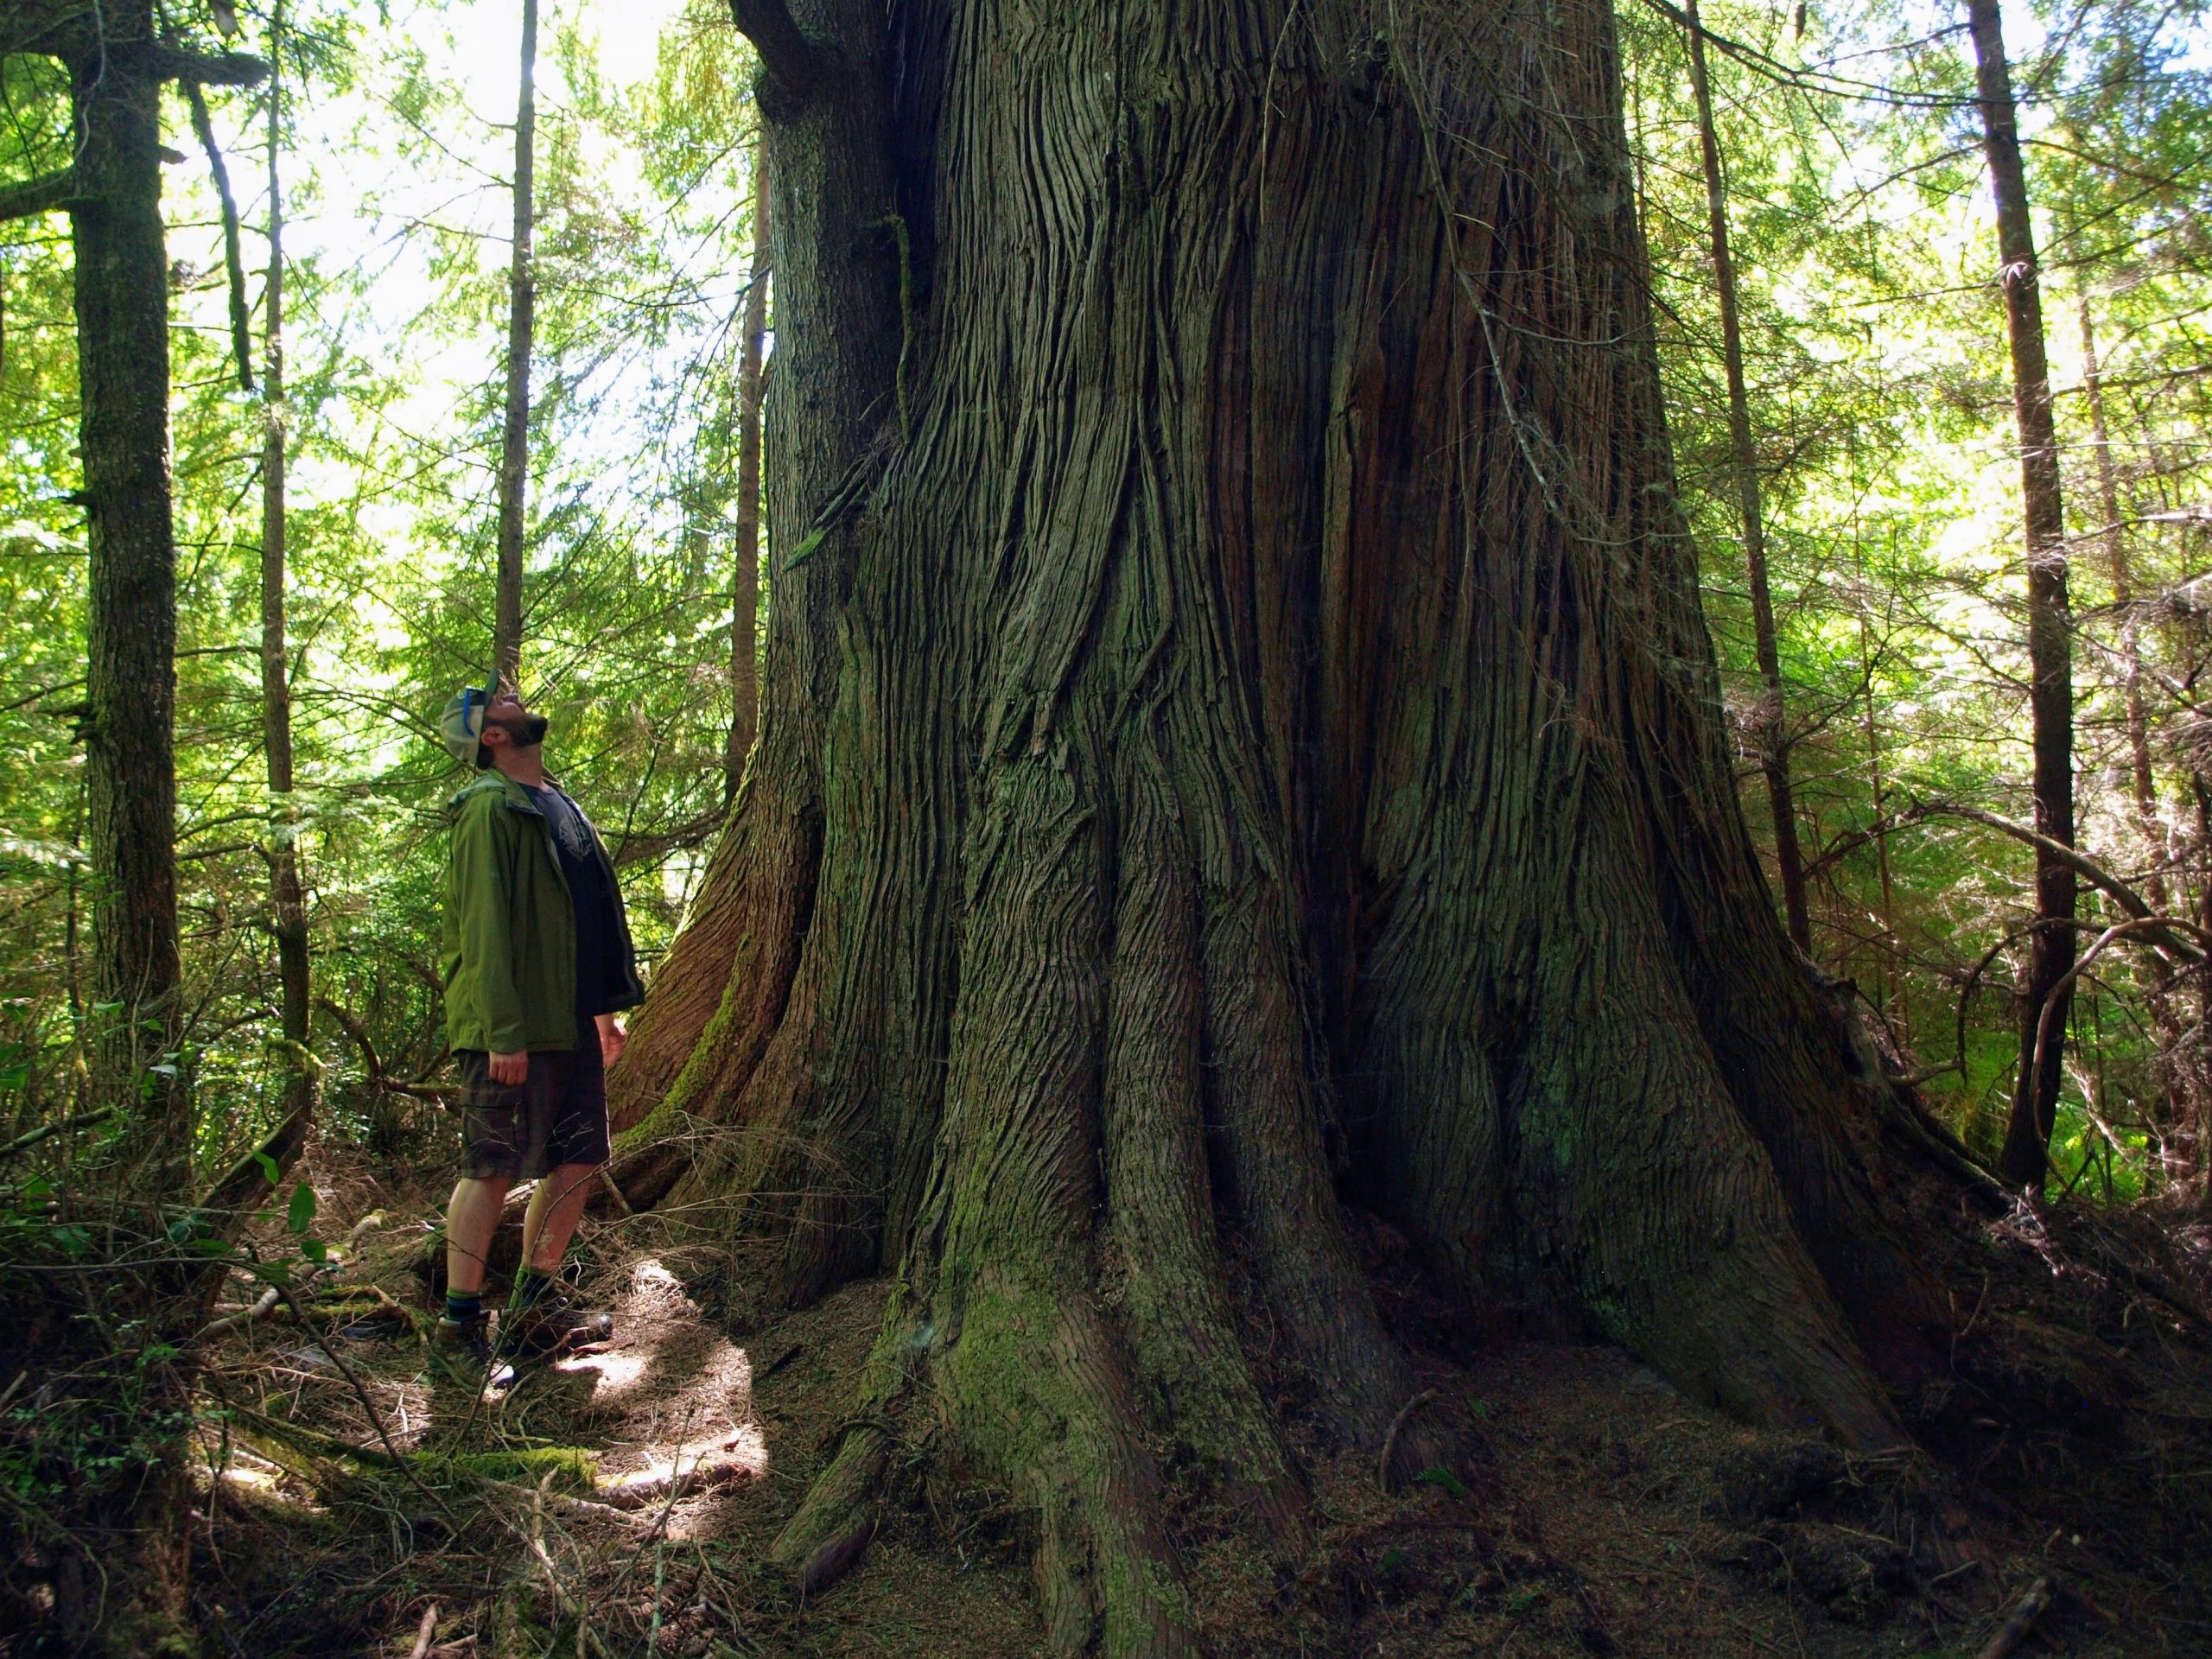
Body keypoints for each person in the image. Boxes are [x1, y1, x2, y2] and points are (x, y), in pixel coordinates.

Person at [431, 673, 644, 1376]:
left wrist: (602, 1013)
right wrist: (500, 1030)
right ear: (491, 736)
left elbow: (580, 918)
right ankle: (460, 1329)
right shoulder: (489, 809)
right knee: (490, 1166)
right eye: (499, 704)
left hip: (569, 1020)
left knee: (580, 1156)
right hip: (512, 1024)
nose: (513, 699)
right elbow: (483, 924)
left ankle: (532, 1308)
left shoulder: (555, 802)